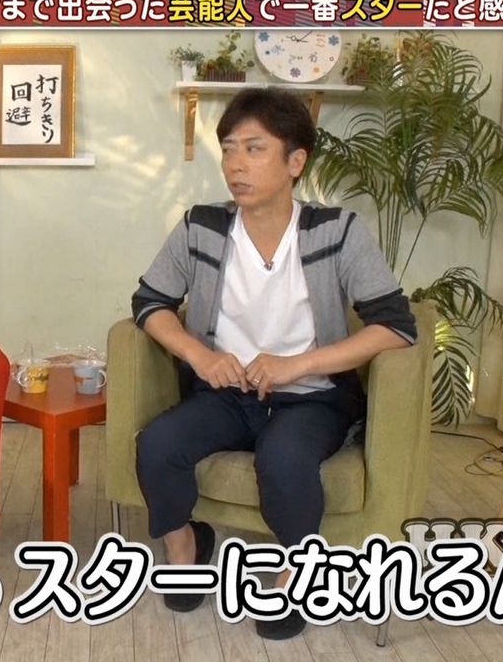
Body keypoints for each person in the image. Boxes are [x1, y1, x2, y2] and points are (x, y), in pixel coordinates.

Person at [130, 88, 416, 641]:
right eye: (228, 149)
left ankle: (295, 572)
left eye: (254, 148)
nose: (235, 164)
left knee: (284, 460)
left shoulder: (337, 230)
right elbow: (150, 303)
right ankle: (186, 546)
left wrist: (298, 364)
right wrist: (200, 355)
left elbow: (395, 326)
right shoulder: (201, 226)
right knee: (158, 444)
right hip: (225, 394)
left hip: (312, 398)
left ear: (295, 161)